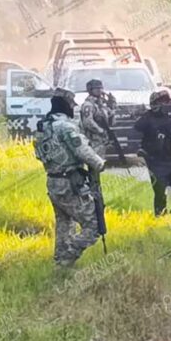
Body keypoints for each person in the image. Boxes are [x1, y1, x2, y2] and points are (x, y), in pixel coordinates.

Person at [33, 89, 105, 268]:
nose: (73, 108)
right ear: (66, 104)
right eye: (72, 105)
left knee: (65, 223)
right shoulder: (66, 126)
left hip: (53, 181)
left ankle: (60, 263)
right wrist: (100, 164)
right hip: (70, 183)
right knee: (93, 226)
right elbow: (82, 150)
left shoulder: (43, 127)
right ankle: (67, 256)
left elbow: (39, 155)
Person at [134, 88, 171, 215]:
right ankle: (160, 216)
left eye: (168, 101)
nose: (166, 104)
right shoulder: (148, 117)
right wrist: (151, 113)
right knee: (160, 193)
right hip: (155, 162)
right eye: (163, 101)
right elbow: (137, 127)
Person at [79, 79, 114, 156]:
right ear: (90, 90)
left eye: (100, 88)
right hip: (93, 139)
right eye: (96, 88)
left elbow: (110, 117)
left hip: (101, 139)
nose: (99, 90)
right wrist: (101, 131)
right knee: (96, 163)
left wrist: (112, 104)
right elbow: (88, 122)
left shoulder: (100, 104)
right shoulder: (88, 105)